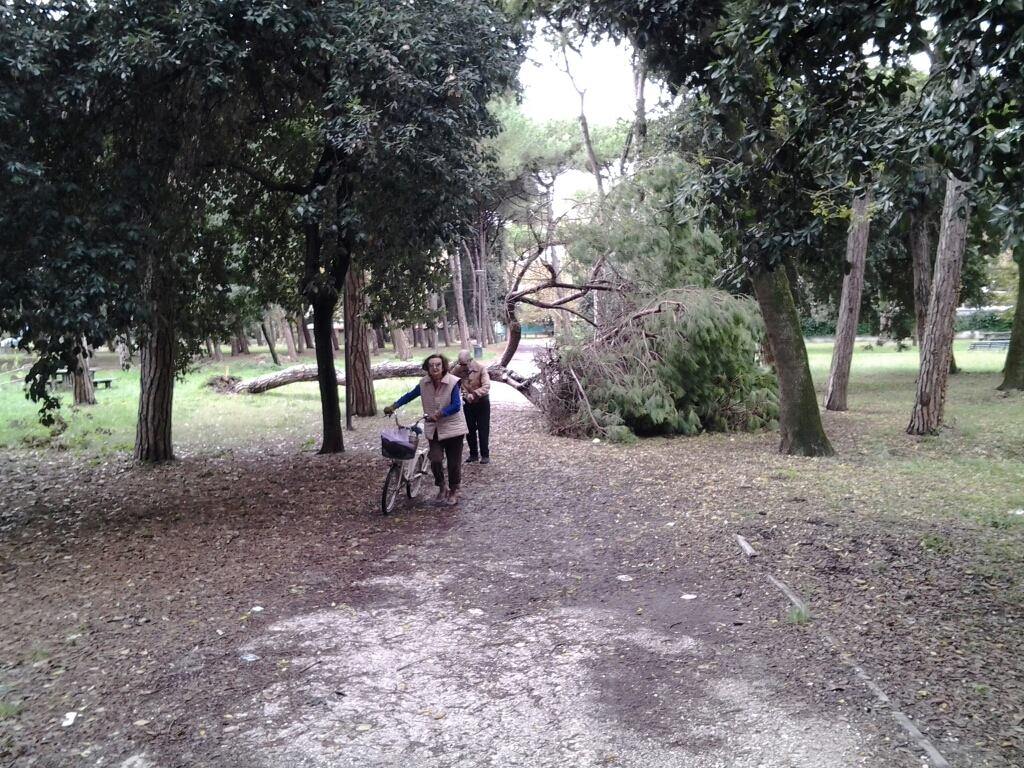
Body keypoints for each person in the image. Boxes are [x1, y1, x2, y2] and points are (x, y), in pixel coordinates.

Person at [384, 354, 467, 506]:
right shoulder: (424, 383)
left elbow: (456, 405)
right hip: (434, 429)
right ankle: (442, 487)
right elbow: (410, 396)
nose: (435, 368)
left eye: (438, 365)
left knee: (454, 463)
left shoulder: (453, 382)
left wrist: (440, 414)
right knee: (435, 458)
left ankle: (454, 490)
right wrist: (393, 406)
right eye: (431, 365)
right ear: (427, 368)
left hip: (454, 429)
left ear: (443, 367)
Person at [451, 349, 491, 464]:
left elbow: (487, 386)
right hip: (467, 403)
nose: (462, 366)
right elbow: (450, 380)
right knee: (469, 429)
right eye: (460, 363)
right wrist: (464, 395)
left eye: (464, 363)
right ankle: (473, 454)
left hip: (482, 402)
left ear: (470, 360)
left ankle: (485, 455)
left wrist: (474, 394)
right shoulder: (457, 369)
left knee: (483, 429)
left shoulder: (481, 368)